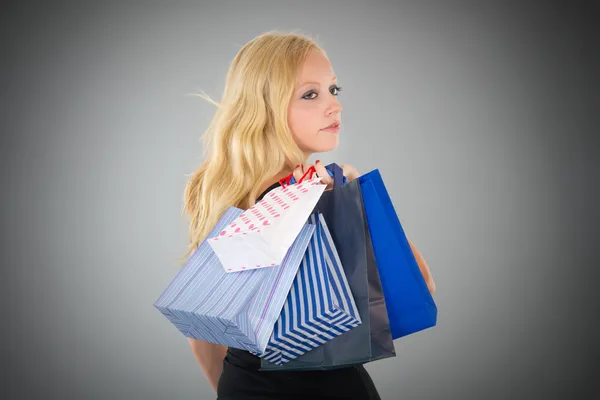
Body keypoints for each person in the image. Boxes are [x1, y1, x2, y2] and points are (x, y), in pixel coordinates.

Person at [180, 31, 436, 400]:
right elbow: (421, 283)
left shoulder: (228, 195)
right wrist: (356, 198)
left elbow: (201, 333)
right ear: (265, 107)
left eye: (334, 90)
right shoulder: (315, 198)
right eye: (310, 94)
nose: (335, 106)